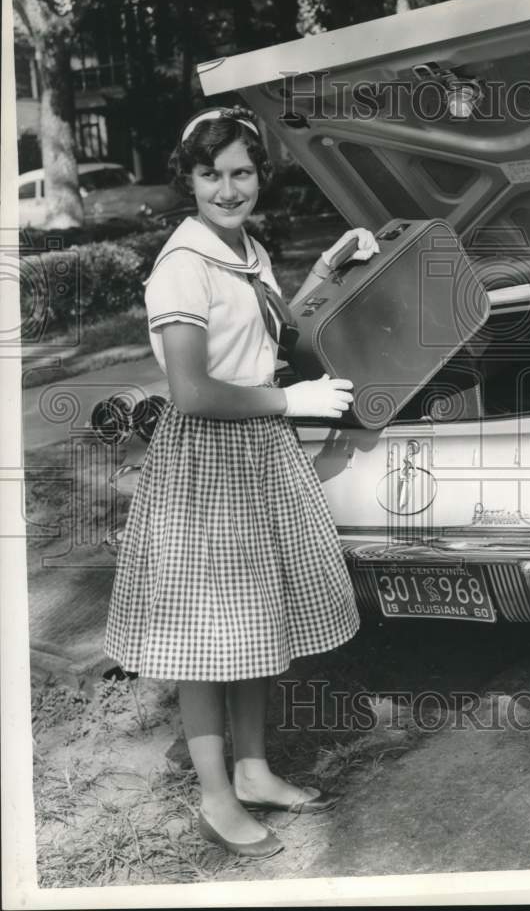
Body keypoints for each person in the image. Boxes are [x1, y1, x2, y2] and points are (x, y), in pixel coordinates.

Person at [104, 105, 379, 859]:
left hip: (258, 452)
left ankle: (254, 771)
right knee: (206, 641)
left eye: (241, 172)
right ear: (186, 180)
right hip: (206, 462)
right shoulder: (182, 266)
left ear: (260, 177)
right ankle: (216, 798)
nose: (228, 188)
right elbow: (192, 392)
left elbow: (273, 334)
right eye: (210, 174)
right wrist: (293, 400)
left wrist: (326, 269)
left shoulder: (244, 249)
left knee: (257, 627)